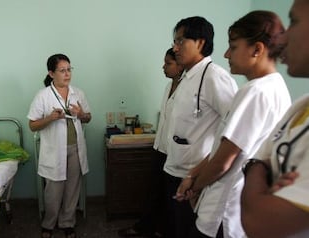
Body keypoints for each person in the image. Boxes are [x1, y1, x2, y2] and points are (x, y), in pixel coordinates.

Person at [175, 11, 291, 238]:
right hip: (239, 202)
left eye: (233, 46)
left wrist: (195, 187)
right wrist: (194, 174)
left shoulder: (255, 92)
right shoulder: (276, 87)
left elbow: (223, 161)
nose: (226, 54)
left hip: (224, 207)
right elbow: (225, 146)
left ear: (257, 49)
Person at [163, 16, 238, 237]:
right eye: (174, 42)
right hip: (175, 168)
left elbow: (232, 129)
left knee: (189, 229)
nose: (175, 47)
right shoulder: (186, 76)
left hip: (195, 177)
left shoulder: (215, 77)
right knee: (178, 227)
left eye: (180, 41)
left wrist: (199, 176)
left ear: (200, 43)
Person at [241, 1, 309, 237]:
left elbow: (258, 221)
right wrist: (260, 170)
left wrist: (256, 171)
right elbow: (260, 159)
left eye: (294, 21)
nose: (281, 39)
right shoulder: (301, 106)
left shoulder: (258, 90)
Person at [118, 48, 184, 238]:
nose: (163, 67)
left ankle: (162, 230)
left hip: (174, 152)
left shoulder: (187, 90)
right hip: (160, 149)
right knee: (154, 192)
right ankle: (145, 226)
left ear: (180, 66)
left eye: (168, 63)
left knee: (171, 197)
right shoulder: (167, 87)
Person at [27, 53, 91, 238]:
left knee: (72, 190)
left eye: (69, 69)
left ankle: (67, 223)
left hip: (75, 149)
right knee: (53, 192)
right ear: (51, 73)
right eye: (62, 70)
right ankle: (48, 224)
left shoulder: (78, 93)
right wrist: (50, 118)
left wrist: (80, 114)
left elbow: (88, 118)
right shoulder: (43, 96)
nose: (67, 74)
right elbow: (32, 125)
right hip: (54, 151)